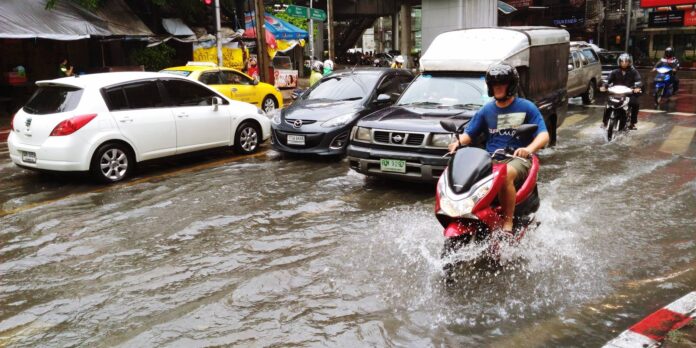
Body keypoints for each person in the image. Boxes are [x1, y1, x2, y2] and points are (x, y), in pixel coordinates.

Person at [447, 64, 549, 235]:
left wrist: (528, 149)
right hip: (491, 158)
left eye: (501, 84)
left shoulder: (526, 107)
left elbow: (544, 135)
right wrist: (457, 142)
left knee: (505, 173)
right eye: (494, 85)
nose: (497, 88)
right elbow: (469, 134)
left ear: (511, 86)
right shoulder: (487, 109)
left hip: (517, 158)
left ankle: (507, 223)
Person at [601, 53, 642, 130]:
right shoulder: (614, 72)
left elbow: (638, 81)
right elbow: (607, 80)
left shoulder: (634, 72)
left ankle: (632, 123)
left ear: (629, 62)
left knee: (635, 104)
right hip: (616, 93)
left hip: (629, 93)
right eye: (622, 61)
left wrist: (637, 87)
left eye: (626, 61)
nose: (624, 63)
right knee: (608, 105)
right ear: (619, 62)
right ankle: (605, 122)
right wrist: (605, 85)